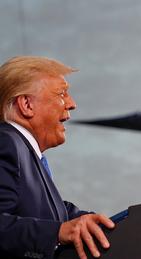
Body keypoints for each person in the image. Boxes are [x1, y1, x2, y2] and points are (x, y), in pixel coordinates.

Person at [0, 56, 114, 259]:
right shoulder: (6, 142)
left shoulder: (26, 154)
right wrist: (57, 233)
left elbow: (57, 212)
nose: (72, 104)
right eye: (62, 94)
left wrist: (97, 223)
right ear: (26, 104)